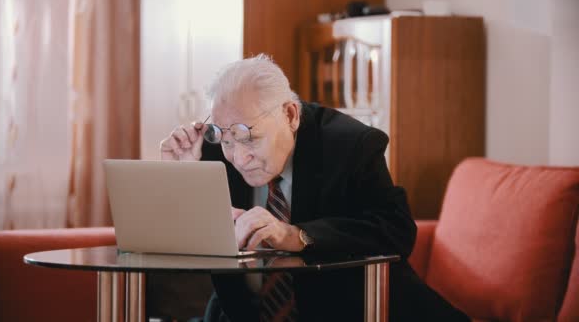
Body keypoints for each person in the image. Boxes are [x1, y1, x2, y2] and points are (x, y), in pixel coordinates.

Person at [159, 55, 468, 321]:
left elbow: (396, 231)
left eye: (249, 138)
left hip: (360, 312)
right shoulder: (213, 150)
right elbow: (187, 249)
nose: (238, 157)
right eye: (226, 140)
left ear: (290, 115)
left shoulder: (350, 145)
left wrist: (296, 236)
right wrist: (186, 178)